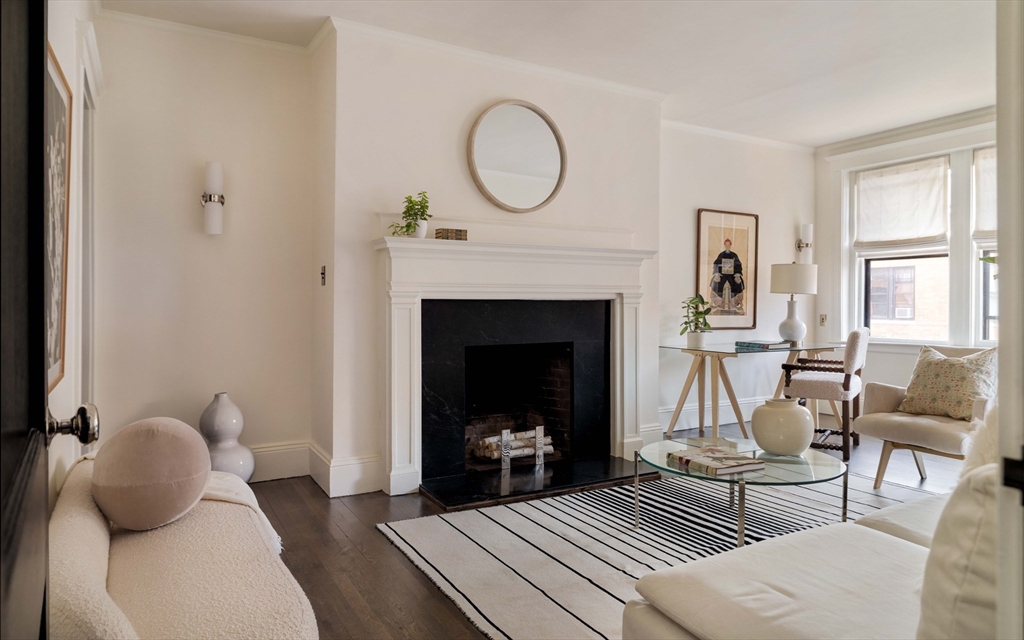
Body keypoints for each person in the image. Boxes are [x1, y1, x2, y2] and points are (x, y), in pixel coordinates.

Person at [710, 238, 744, 312]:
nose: (727, 246)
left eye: (729, 244)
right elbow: (716, 264)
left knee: (738, 282)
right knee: (715, 282)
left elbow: (738, 265)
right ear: (724, 245)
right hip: (722, 275)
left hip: (732, 275)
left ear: (730, 245)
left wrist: (737, 274)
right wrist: (717, 273)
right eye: (726, 244)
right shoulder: (721, 255)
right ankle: (717, 303)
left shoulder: (734, 255)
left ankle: (734, 304)